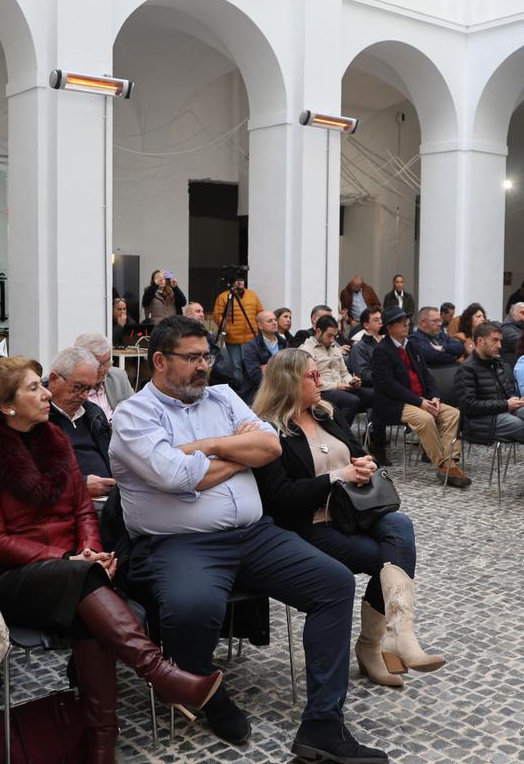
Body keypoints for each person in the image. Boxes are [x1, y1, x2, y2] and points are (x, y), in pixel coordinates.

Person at [108, 315, 387, 762]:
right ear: (159, 361)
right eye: (192, 358)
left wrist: (207, 447)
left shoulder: (220, 396)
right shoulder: (135, 414)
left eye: (207, 355)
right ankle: (204, 692)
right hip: (181, 543)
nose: (204, 365)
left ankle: (323, 725)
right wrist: (238, 453)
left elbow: (271, 448)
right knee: (193, 607)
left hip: (255, 535)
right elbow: (176, 477)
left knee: (335, 584)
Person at [0, 356, 220, 761]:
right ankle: (159, 674)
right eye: (34, 389)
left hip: (75, 571)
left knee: (90, 613)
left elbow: (82, 509)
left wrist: (91, 552)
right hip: (13, 576)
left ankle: (101, 744)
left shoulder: (54, 439)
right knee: (85, 585)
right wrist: (67, 558)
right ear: (6, 405)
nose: (46, 394)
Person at [252, 349, 443, 688]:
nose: (320, 380)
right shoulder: (270, 431)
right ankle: (375, 647)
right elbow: (280, 499)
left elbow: (356, 452)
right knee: (388, 558)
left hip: (354, 511)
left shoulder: (327, 412)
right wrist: (337, 476)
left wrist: (364, 464)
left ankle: (398, 634)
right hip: (310, 523)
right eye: (311, 376)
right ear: (289, 382)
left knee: (401, 526)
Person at [457, 322, 524, 503]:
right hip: (483, 421)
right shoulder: (467, 368)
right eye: (495, 341)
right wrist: (505, 404)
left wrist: (519, 400)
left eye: (500, 341)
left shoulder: (498, 363)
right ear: (480, 341)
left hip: (504, 410)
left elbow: (508, 393)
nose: (500, 346)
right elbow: (468, 406)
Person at [371, 307, 468, 487]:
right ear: (389, 328)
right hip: (395, 404)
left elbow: (426, 375)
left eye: (407, 320)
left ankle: (449, 460)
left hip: (422, 399)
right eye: (401, 321)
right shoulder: (381, 351)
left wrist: (434, 397)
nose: (406, 323)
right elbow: (389, 386)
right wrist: (420, 402)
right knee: (425, 419)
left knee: (453, 413)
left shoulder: (412, 346)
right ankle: (444, 464)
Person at [46, 347, 118, 503]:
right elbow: (38, 479)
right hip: (68, 503)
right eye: (78, 387)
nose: (84, 396)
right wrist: (81, 483)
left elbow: (113, 456)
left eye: (89, 389)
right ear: (53, 380)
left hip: (109, 499)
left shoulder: (93, 414)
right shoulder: (39, 418)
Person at [300, 315, 372, 427]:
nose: (332, 340)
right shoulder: (306, 350)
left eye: (334, 336)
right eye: (329, 336)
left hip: (341, 388)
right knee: (352, 401)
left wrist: (352, 381)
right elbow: (312, 381)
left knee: (374, 395)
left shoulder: (334, 348)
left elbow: (344, 373)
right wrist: (337, 385)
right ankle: (340, 436)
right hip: (322, 391)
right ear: (318, 331)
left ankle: (376, 438)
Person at [74, 332, 134, 421]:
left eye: (106, 363)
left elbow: (135, 410)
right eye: (96, 365)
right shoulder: (69, 384)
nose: (102, 370)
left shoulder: (118, 376)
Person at [241, 310, 288, 404]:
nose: (274, 323)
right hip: (258, 391)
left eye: (275, 320)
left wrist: (269, 368)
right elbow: (256, 375)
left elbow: (289, 368)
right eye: (270, 321)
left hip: (284, 388)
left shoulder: (284, 343)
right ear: (260, 326)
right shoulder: (251, 346)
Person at [348, 306, 385, 387]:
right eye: (376, 320)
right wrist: (387, 375)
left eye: (381, 318)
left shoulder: (389, 342)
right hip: (374, 388)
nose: (381, 322)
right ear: (366, 325)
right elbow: (363, 375)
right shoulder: (359, 347)